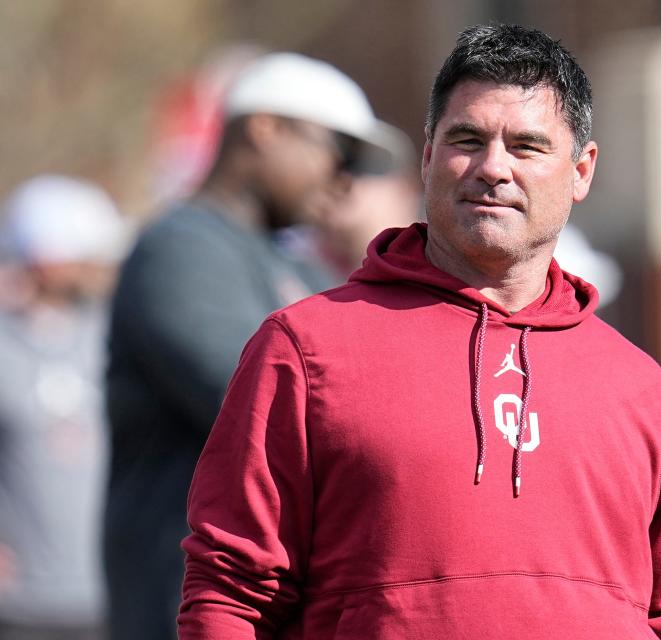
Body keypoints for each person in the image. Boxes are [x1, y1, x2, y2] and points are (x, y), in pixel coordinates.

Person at [179, 25, 661, 639]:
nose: (493, 168)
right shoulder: (305, 348)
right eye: (467, 139)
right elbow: (231, 593)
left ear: (581, 171)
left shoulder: (635, 382)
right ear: (427, 158)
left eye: (527, 146)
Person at [105, 52, 407, 640]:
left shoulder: (296, 262)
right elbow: (278, 411)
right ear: (264, 129)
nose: (343, 180)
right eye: (335, 152)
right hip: (187, 602)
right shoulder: (180, 248)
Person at [0, 175, 128, 640]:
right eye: (88, 258)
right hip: (20, 609)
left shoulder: (110, 336)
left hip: (107, 600)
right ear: (50, 261)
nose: (103, 270)